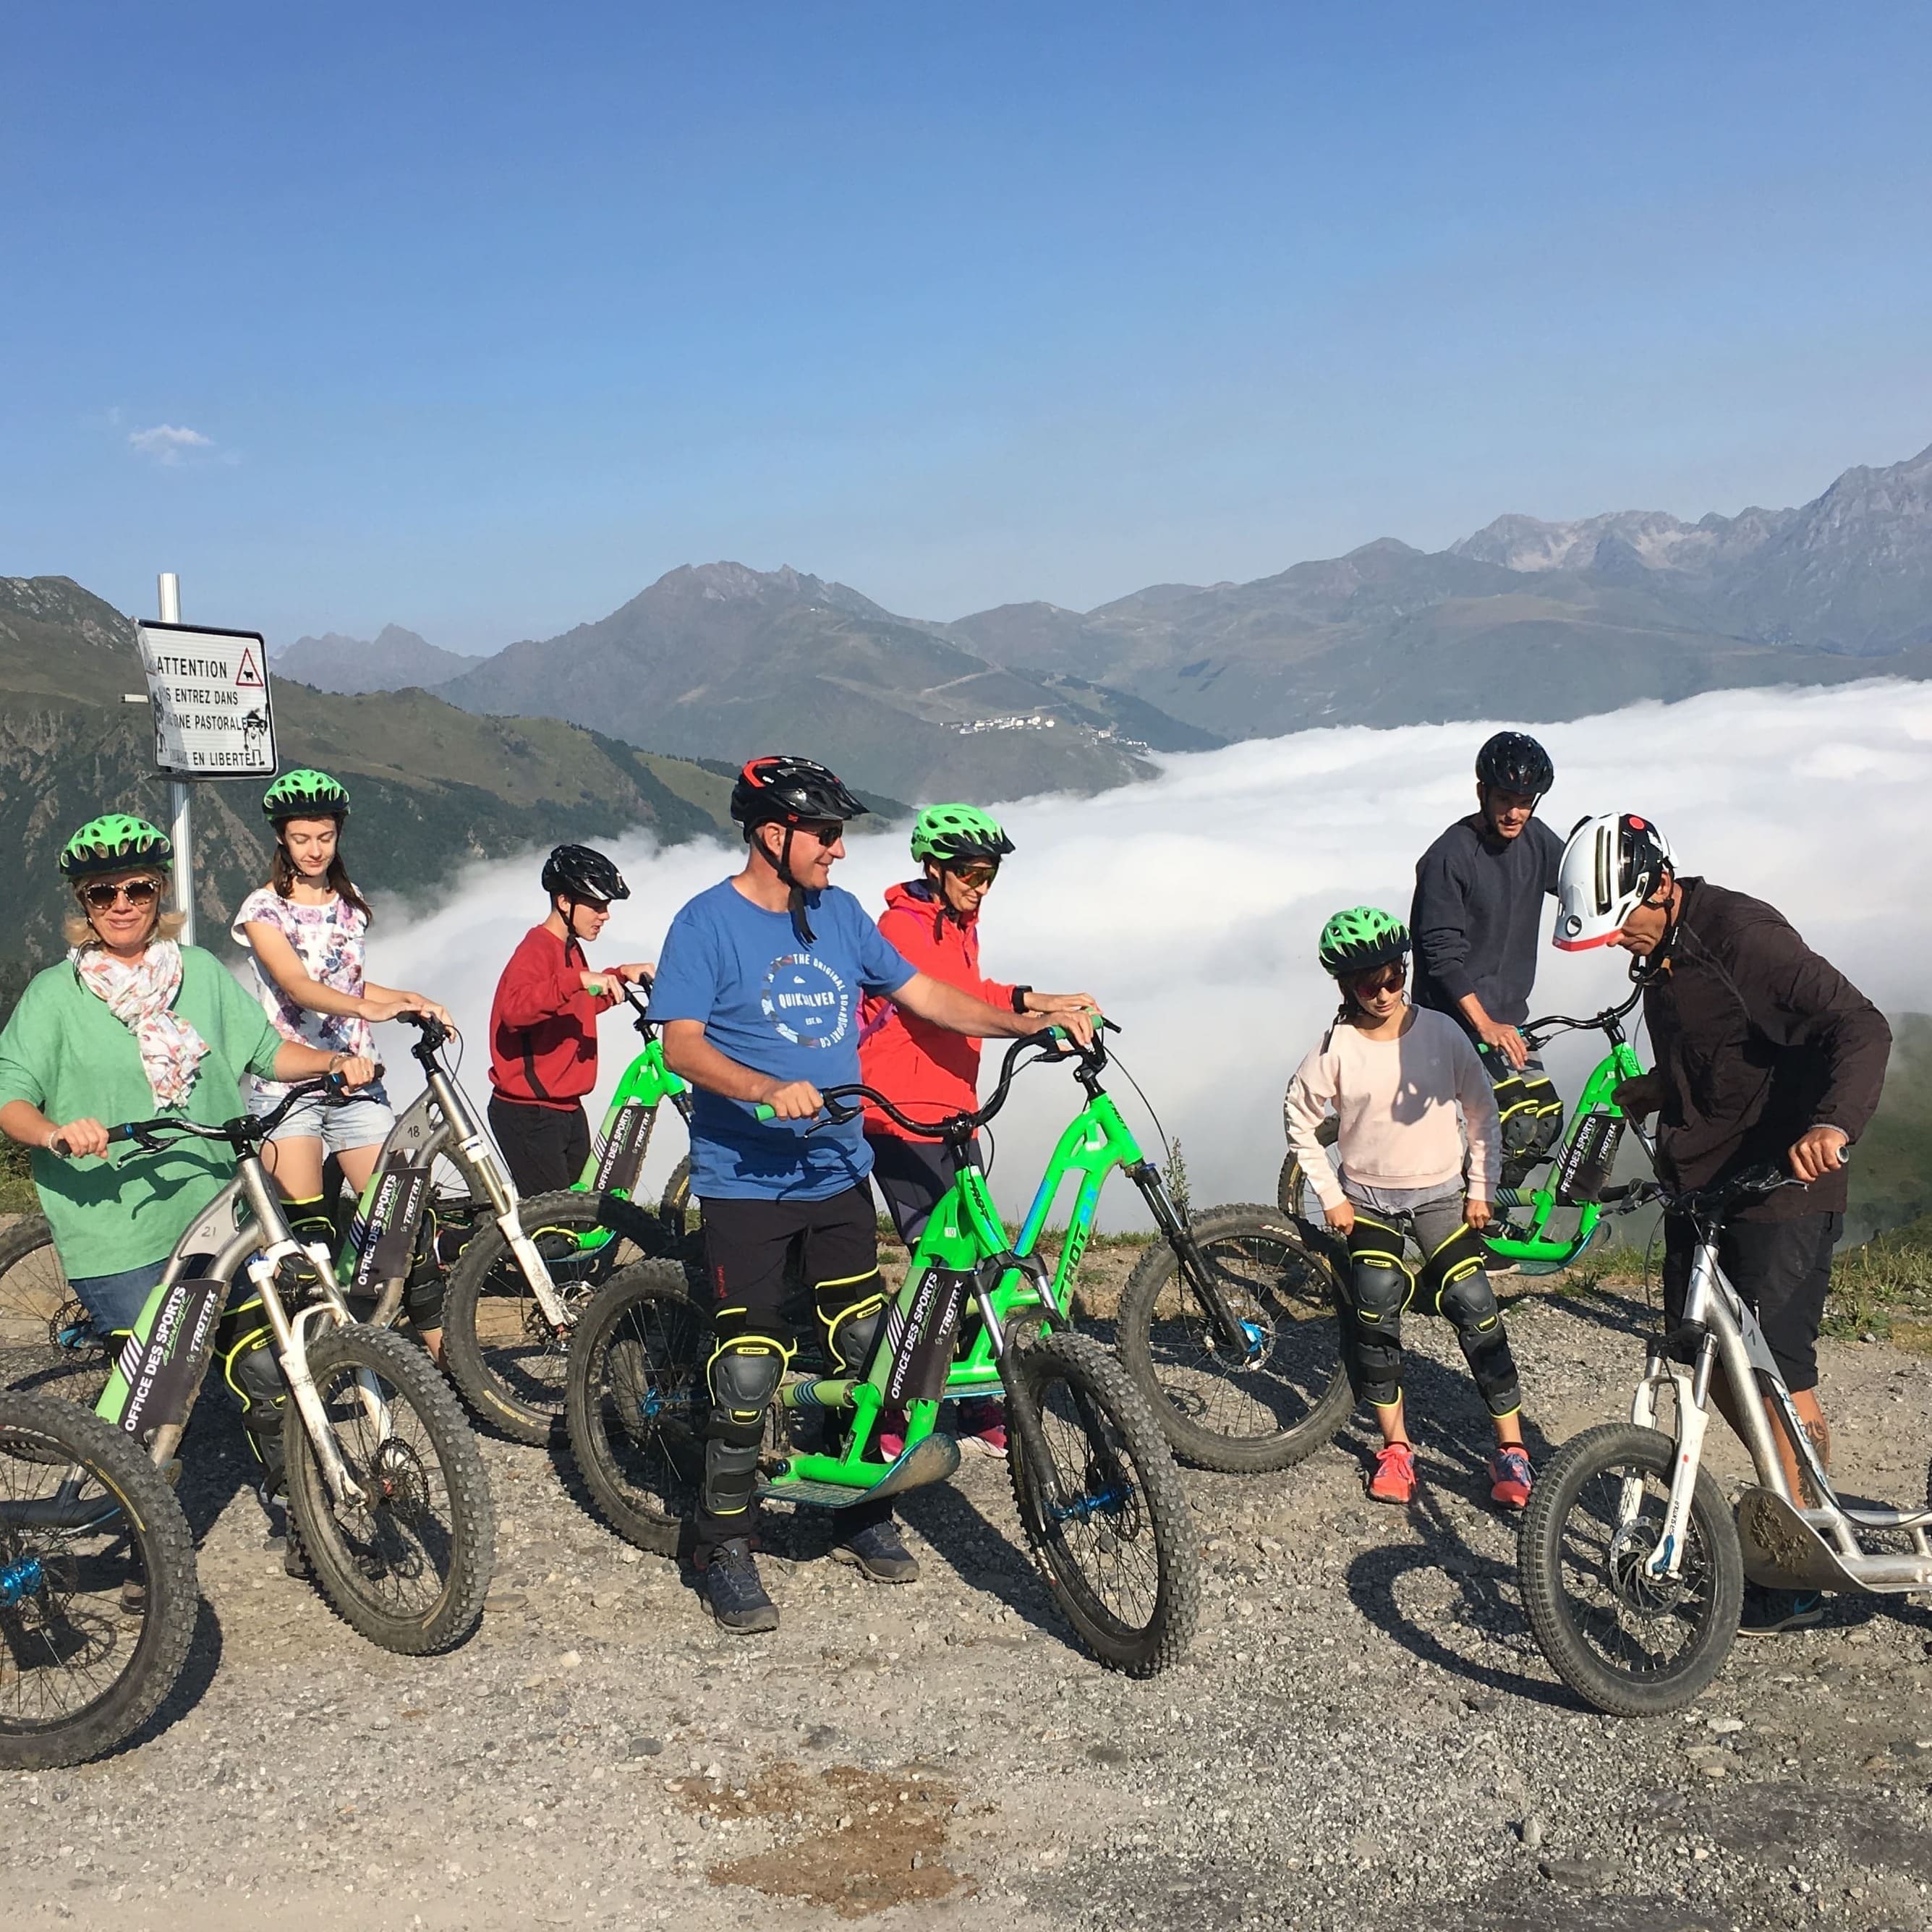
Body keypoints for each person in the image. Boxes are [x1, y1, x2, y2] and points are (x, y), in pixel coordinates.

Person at [650, 754, 1095, 1634]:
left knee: (864, 1345)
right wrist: (760, 1088)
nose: (840, 851)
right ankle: (722, 1542)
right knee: (749, 1368)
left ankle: (852, 1505)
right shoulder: (705, 922)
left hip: (835, 1170)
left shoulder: (841, 917)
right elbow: (682, 1047)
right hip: (748, 1181)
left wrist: (1027, 1020)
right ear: (770, 833)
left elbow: (927, 994)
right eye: (824, 834)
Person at [1554, 812, 1890, 1635]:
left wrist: (1831, 1127)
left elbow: (1861, 1026)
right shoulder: (1661, 955)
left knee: (1778, 1375)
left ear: (1659, 886)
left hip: (1783, 1191)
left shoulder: (1745, 939)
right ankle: (1790, 1506)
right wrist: (1661, 1088)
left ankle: (1810, 1564)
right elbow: (1724, 1054)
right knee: (1707, 1361)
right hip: (1702, 1190)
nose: (1618, 945)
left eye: (1622, 926)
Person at [0, 815, 376, 1494]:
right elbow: (12, 1099)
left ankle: (306, 1515)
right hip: (116, 1229)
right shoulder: (53, 998)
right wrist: (56, 1132)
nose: (121, 906)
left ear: (158, 894)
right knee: (152, 1408)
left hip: (215, 1211)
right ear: (83, 904)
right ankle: (149, 1552)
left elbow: (265, 1052)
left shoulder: (197, 972)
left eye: (138, 890)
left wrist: (333, 1062)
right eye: (102, 893)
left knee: (267, 1369)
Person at [857, 802, 1098, 1456]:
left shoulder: (956, 921)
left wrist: (1043, 998)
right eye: (968, 870)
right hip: (899, 1117)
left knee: (978, 1264)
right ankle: (892, 1413)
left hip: (952, 1113)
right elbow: (946, 1005)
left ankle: (971, 1400)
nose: (980, 884)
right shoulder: (900, 928)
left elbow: (975, 986)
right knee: (937, 1269)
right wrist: (1030, 1025)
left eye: (988, 872)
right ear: (932, 866)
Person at [1283, 906, 1532, 1509]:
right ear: (1346, 986)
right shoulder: (1333, 1048)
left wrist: (1480, 1187)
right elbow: (1298, 1117)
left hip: (1441, 1193)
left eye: (1394, 974)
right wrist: (1332, 1195)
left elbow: (1480, 1110)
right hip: (1367, 1198)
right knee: (1375, 1318)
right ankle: (1396, 1447)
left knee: (1475, 1310)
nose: (1385, 991)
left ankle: (1512, 1448)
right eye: (1369, 982)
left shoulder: (1442, 1032)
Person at [232, 769, 453, 1356]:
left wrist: (408, 1000)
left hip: (356, 1086)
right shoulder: (263, 909)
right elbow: (298, 986)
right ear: (282, 838)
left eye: (324, 837)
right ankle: (308, 1373)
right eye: (301, 837)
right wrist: (368, 1009)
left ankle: (449, 1366)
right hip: (287, 1085)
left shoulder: (349, 905)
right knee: (306, 1246)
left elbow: (348, 980)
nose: (313, 849)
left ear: (337, 836)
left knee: (402, 1223)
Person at [1410, 732, 1566, 1189]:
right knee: (1515, 1123)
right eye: (1504, 799)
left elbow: (1575, 882)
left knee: (1546, 1123)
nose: (1515, 812)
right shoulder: (1449, 857)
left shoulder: (1535, 839)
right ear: (1482, 792)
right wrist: (1485, 1026)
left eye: (1525, 801)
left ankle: (1487, 1207)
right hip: (1454, 1023)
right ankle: (1462, 1221)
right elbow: (1441, 959)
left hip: (1507, 1021)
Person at [486, 843, 654, 1195]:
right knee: (551, 1228)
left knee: (579, 1213)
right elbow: (515, 1010)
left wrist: (620, 976)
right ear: (565, 902)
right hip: (529, 1113)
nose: (605, 915)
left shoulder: (569, 947)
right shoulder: (536, 948)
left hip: (566, 1108)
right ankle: (453, 1246)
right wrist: (577, 980)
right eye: (596, 906)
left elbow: (572, 1007)